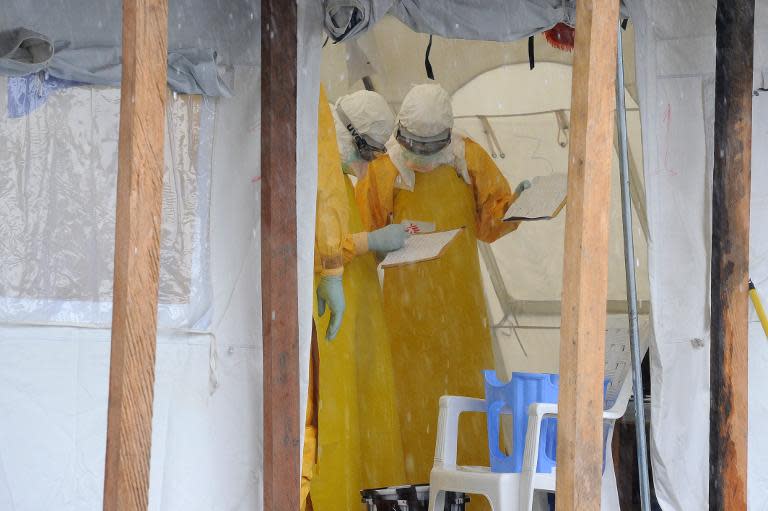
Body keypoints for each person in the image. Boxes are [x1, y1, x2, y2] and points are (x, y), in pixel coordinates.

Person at [356, 83, 529, 497]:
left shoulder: (469, 158)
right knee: (408, 407)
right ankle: (409, 495)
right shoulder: (383, 172)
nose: (424, 162)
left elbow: (490, 226)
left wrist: (517, 207)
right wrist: (382, 243)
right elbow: (363, 241)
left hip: (461, 312)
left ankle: (470, 498)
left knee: (466, 403)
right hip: (404, 319)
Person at [302, 87, 408, 511]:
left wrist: (372, 247)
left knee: (343, 417)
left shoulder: (332, 166)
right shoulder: (318, 153)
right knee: (327, 419)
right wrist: (365, 243)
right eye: (366, 154)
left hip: (344, 327)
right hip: (323, 319)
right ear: (351, 134)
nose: (365, 170)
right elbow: (315, 239)